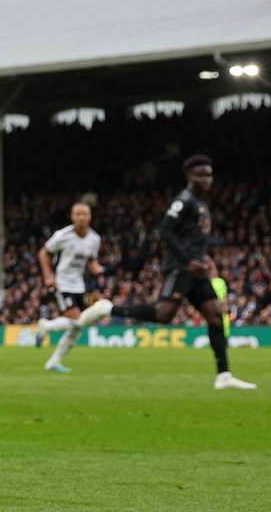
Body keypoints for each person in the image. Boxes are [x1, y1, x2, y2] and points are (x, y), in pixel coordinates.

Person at [110, 155, 257, 390]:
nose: (207, 179)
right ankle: (109, 309)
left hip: (197, 270)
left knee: (215, 315)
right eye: (201, 175)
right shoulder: (184, 200)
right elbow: (165, 230)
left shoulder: (200, 202)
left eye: (209, 174)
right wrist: (188, 260)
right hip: (181, 268)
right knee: (163, 314)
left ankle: (224, 375)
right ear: (190, 177)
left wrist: (202, 259)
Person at [37, 202, 114, 373]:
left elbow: (92, 263)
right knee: (75, 320)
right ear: (72, 217)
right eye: (78, 214)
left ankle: (53, 361)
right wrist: (48, 276)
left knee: (79, 326)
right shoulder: (62, 235)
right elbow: (43, 253)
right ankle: (46, 326)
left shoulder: (94, 239)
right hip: (62, 283)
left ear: (90, 217)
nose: (81, 217)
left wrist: (100, 269)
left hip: (79, 286)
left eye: (84, 214)